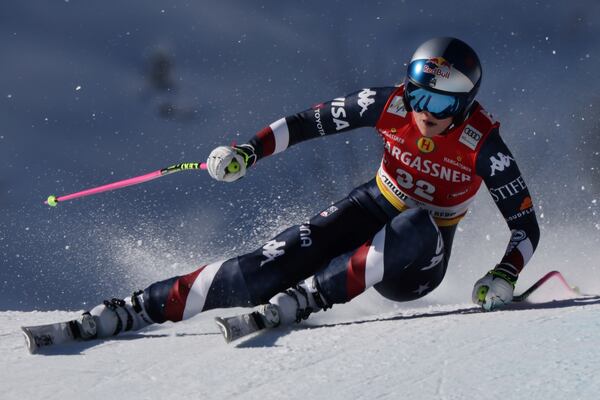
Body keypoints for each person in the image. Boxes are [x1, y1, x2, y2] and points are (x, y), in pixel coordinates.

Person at [66, 37, 541, 341]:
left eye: (440, 101)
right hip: (373, 202)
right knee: (266, 267)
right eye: (419, 94)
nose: (426, 111)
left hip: (418, 258)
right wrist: (247, 152)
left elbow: (525, 226)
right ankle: (135, 308)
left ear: (465, 104)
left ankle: (312, 296)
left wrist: (503, 273)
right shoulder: (388, 103)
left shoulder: (482, 144)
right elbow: (305, 123)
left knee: (416, 222)